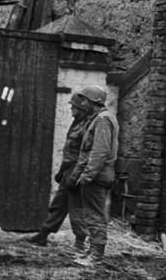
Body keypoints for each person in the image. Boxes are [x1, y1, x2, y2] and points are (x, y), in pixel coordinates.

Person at [27, 91, 88, 249]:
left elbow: (85, 154)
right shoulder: (76, 123)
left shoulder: (87, 126)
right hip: (68, 170)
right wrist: (61, 171)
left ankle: (80, 242)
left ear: (81, 108)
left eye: (73, 106)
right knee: (59, 204)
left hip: (77, 171)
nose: (71, 109)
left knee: (76, 208)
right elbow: (70, 151)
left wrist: (76, 174)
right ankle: (43, 235)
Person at [66, 85, 119, 266]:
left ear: (94, 102)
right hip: (96, 175)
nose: (82, 103)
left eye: (85, 100)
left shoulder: (102, 120)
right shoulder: (99, 118)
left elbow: (99, 152)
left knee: (95, 216)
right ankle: (91, 251)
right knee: (92, 215)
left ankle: (96, 256)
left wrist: (87, 175)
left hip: (97, 176)